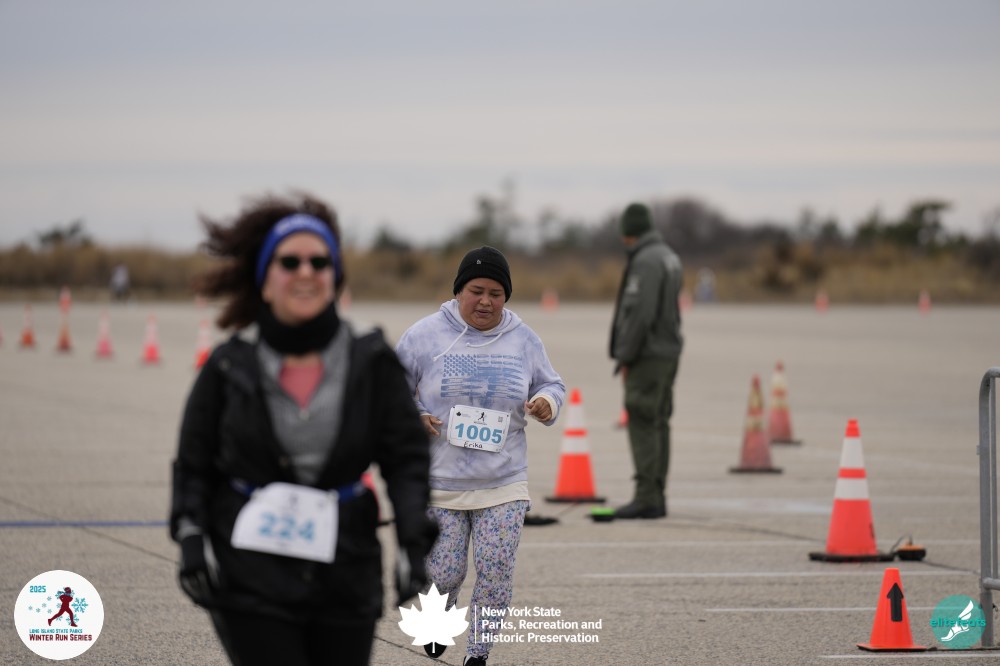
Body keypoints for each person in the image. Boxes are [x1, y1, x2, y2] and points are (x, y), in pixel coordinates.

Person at [169, 192, 437, 666]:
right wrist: (191, 533)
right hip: (250, 569)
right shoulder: (230, 365)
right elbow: (194, 461)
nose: (306, 272)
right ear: (264, 282)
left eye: (320, 262)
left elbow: (406, 459)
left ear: (335, 278)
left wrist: (412, 543)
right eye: (289, 262)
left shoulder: (371, 359)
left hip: (346, 567)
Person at [394, 246, 566, 666]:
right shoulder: (424, 336)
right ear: (458, 291)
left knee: (495, 570)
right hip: (441, 481)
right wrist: (415, 414)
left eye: (496, 293)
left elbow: (552, 384)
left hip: (503, 480)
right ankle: (437, 624)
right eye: (476, 291)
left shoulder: (524, 339)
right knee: (445, 573)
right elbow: (391, 389)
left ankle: (478, 654)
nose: (486, 301)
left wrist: (547, 402)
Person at [609, 202, 684, 519]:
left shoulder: (646, 261)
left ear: (630, 232)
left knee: (642, 419)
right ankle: (657, 493)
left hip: (648, 354)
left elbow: (640, 314)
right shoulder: (668, 256)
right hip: (667, 351)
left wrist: (625, 356)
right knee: (659, 421)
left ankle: (647, 496)